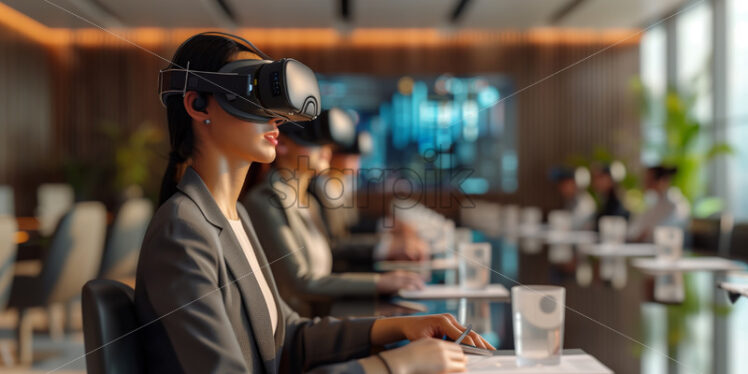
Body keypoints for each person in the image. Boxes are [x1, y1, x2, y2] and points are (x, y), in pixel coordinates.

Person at [134, 32, 492, 374]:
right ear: (197, 104)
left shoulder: (234, 215)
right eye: (250, 92)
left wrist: (399, 327)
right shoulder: (183, 232)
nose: (276, 117)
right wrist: (397, 365)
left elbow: (287, 336)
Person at [242, 117, 425, 317]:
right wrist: (379, 282)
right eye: (314, 141)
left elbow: (330, 257)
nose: (327, 149)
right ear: (282, 144)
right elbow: (299, 283)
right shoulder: (263, 200)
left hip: (323, 316)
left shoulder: (308, 201)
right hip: (299, 329)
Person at [627, 166, 689, 242]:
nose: (644, 183)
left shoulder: (676, 205)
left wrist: (643, 234)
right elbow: (637, 225)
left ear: (661, 181)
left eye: (649, 180)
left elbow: (666, 232)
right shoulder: (652, 201)